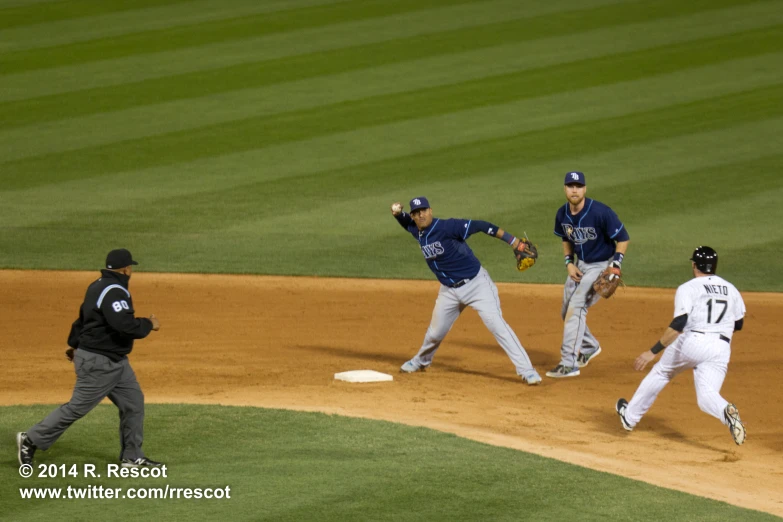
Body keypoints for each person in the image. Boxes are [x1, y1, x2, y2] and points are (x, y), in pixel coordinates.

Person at [17, 249, 163, 467]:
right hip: (99, 362)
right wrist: (149, 324)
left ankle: (132, 456)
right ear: (126, 269)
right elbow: (124, 325)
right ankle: (30, 439)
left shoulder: (97, 286)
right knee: (77, 408)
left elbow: (83, 318)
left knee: (133, 404)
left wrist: (74, 344)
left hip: (116, 362)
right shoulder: (113, 290)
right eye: (130, 267)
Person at [391, 197, 542, 385]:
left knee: (497, 326)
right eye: (416, 213)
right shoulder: (417, 231)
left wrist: (513, 241)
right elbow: (407, 223)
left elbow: (480, 225)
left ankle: (527, 371)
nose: (420, 215)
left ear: (431, 210)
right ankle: (422, 361)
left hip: (477, 285)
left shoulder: (448, 226)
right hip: (449, 291)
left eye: (423, 210)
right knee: (435, 333)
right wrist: (398, 214)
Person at [616, 246, 747, 445]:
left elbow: (678, 325)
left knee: (662, 372)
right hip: (721, 348)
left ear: (695, 265)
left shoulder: (688, 288)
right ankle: (724, 410)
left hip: (694, 341)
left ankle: (630, 417)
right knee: (707, 396)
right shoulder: (731, 289)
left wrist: (652, 352)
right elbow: (738, 324)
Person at [547, 171, 630, 378]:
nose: (574, 190)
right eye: (570, 186)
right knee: (566, 311)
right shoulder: (562, 214)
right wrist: (569, 263)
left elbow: (623, 238)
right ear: (565, 189)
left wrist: (616, 266)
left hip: (602, 266)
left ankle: (569, 363)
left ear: (585, 189)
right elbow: (566, 239)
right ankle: (590, 347)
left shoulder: (601, 212)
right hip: (580, 265)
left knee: (577, 307)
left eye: (578, 186)